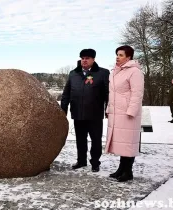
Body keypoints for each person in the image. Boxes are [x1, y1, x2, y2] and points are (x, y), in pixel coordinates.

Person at [61, 49, 110, 172]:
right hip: (78, 113)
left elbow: (107, 94)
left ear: (93, 59)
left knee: (96, 140)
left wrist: (108, 109)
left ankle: (95, 162)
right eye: (82, 58)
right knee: (80, 140)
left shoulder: (102, 73)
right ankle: (81, 161)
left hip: (95, 114)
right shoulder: (73, 74)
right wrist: (63, 110)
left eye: (87, 58)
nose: (84, 60)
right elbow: (66, 93)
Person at [105, 45, 144, 182]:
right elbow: (112, 94)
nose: (117, 57)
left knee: (128, 144)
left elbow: (137, 93)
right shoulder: (115, 72)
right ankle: (121, 169)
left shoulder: (135, 72)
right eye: (117, 54)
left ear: (128, 57)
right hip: (117, 113)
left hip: (128, 114)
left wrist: (131, 111)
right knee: (122, 144)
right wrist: (109, 109)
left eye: (121, 55)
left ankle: (128, 172)